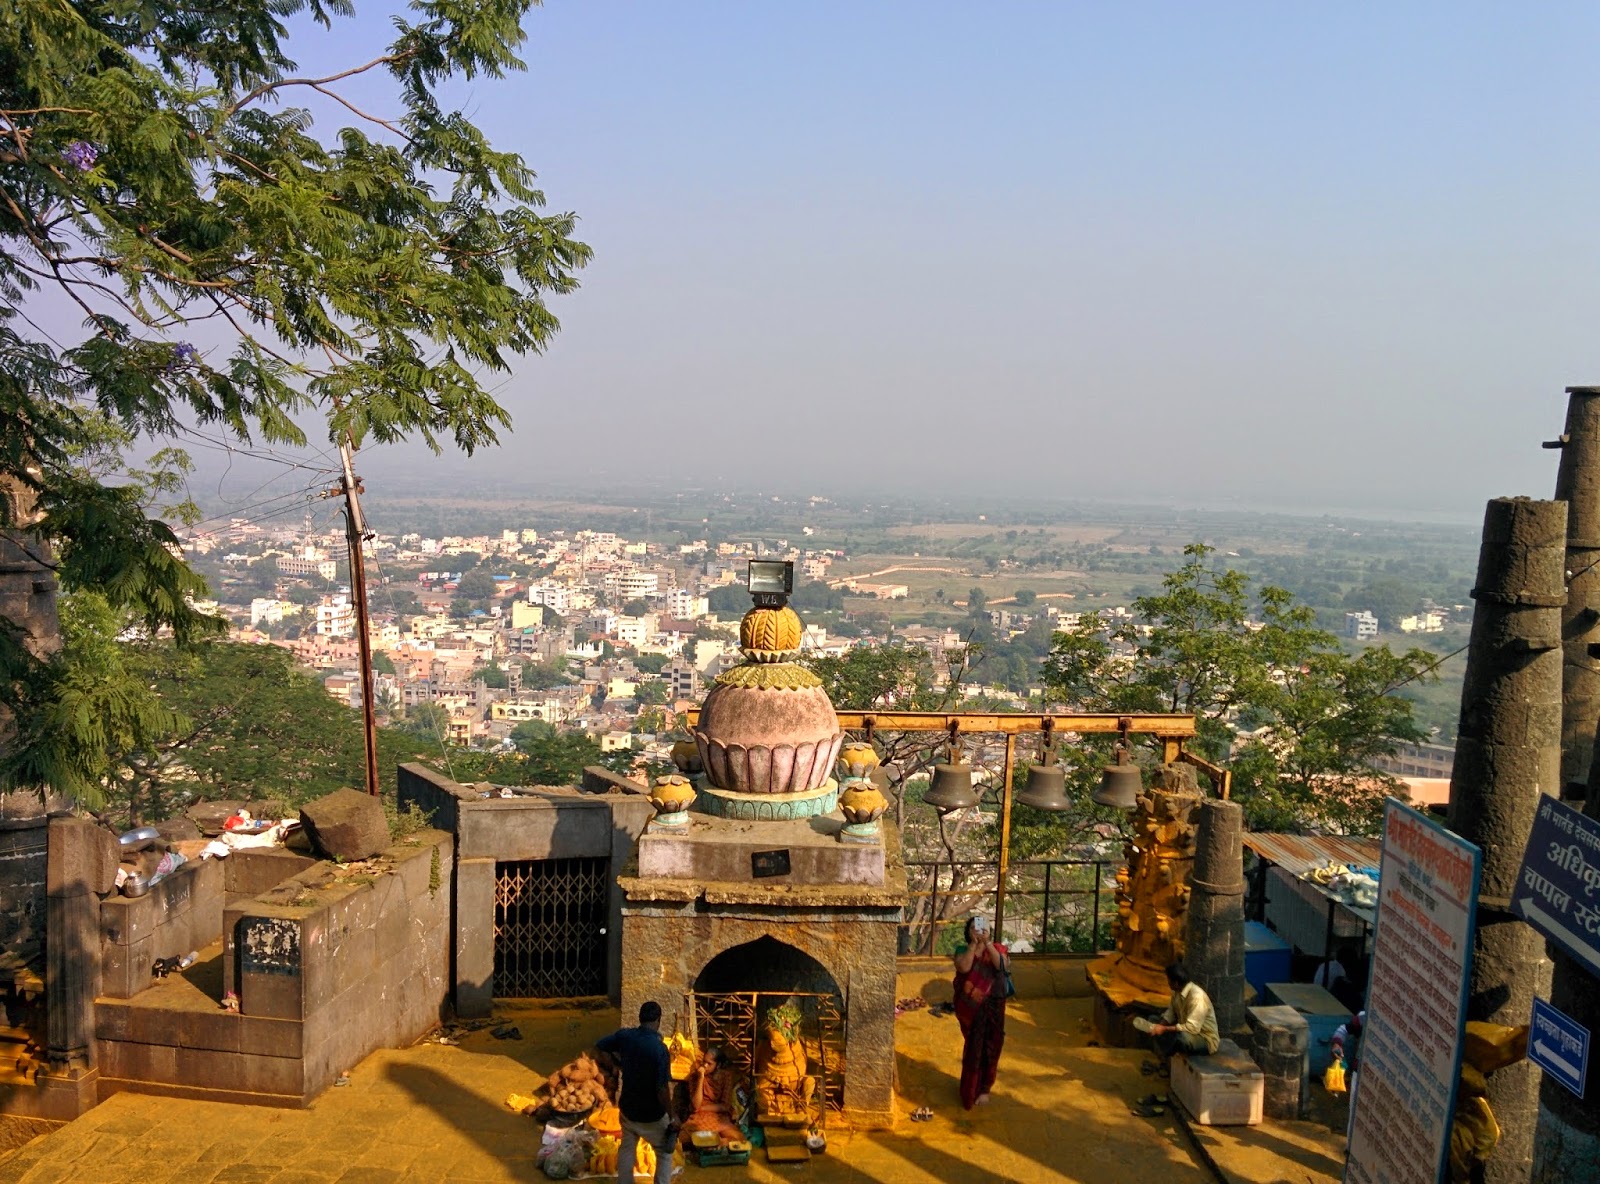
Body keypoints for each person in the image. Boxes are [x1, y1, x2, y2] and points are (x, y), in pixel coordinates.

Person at [596, 1001, 676, 1184]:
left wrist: (617, 1064)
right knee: (664, 1152)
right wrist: (672, 1116)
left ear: (640, 1019)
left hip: (628, 1110)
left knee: (627, 1148)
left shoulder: (626, 1036)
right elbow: (662, 1089)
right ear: (658, 1020)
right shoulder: (660, 1050)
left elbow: (600, 1045)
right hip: (652, 1115)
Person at [952, 914, 1009, 1109]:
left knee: (991, 1048)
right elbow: (964, 967)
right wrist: (974, 945)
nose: (979, 930)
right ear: (968, 932)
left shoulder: (999, 949)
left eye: (983, 927)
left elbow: (1001, 965)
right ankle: (969, 1090)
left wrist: (988, 944)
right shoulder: (962, 950)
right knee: (973, 1048)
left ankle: (984, 1089)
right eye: (974, 928)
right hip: (971, 1009)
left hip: (992, 1006)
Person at [1149, 961, 1220, 1073]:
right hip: (1184, 1030)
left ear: (1176, 983)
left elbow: (1192, 1028)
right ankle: (1168, 1053)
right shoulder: (1176, 992)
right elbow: (1170, 1013)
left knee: (1182, 1038)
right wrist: (1160, 1025)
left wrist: (1164, 1029)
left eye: (1169, 980)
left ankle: (1167, 1056)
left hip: (1204, 1038)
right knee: (1153, 1021)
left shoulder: (1197, 997)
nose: (1167, 982)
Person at [682, 1045, 742, 1147]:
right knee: (684, 1137)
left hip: (718, 1116)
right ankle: (712, 1142)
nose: (705, 1066)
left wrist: (703, 1108)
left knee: (738, 1137)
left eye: (709, 1064)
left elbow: (725, 1106)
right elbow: (696, 1105)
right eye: (704, 1062)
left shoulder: (725, 1076)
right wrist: (701, 1078)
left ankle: (717, 1142)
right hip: (699, 1116)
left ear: (717, 1065)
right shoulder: (695, 1076)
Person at [1331, 1009, 1365, 1140]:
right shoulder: (1364, 1017)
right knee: (1355, 1116)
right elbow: (1344, 1029)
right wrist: (1337, 1044)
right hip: (1359, 1073)